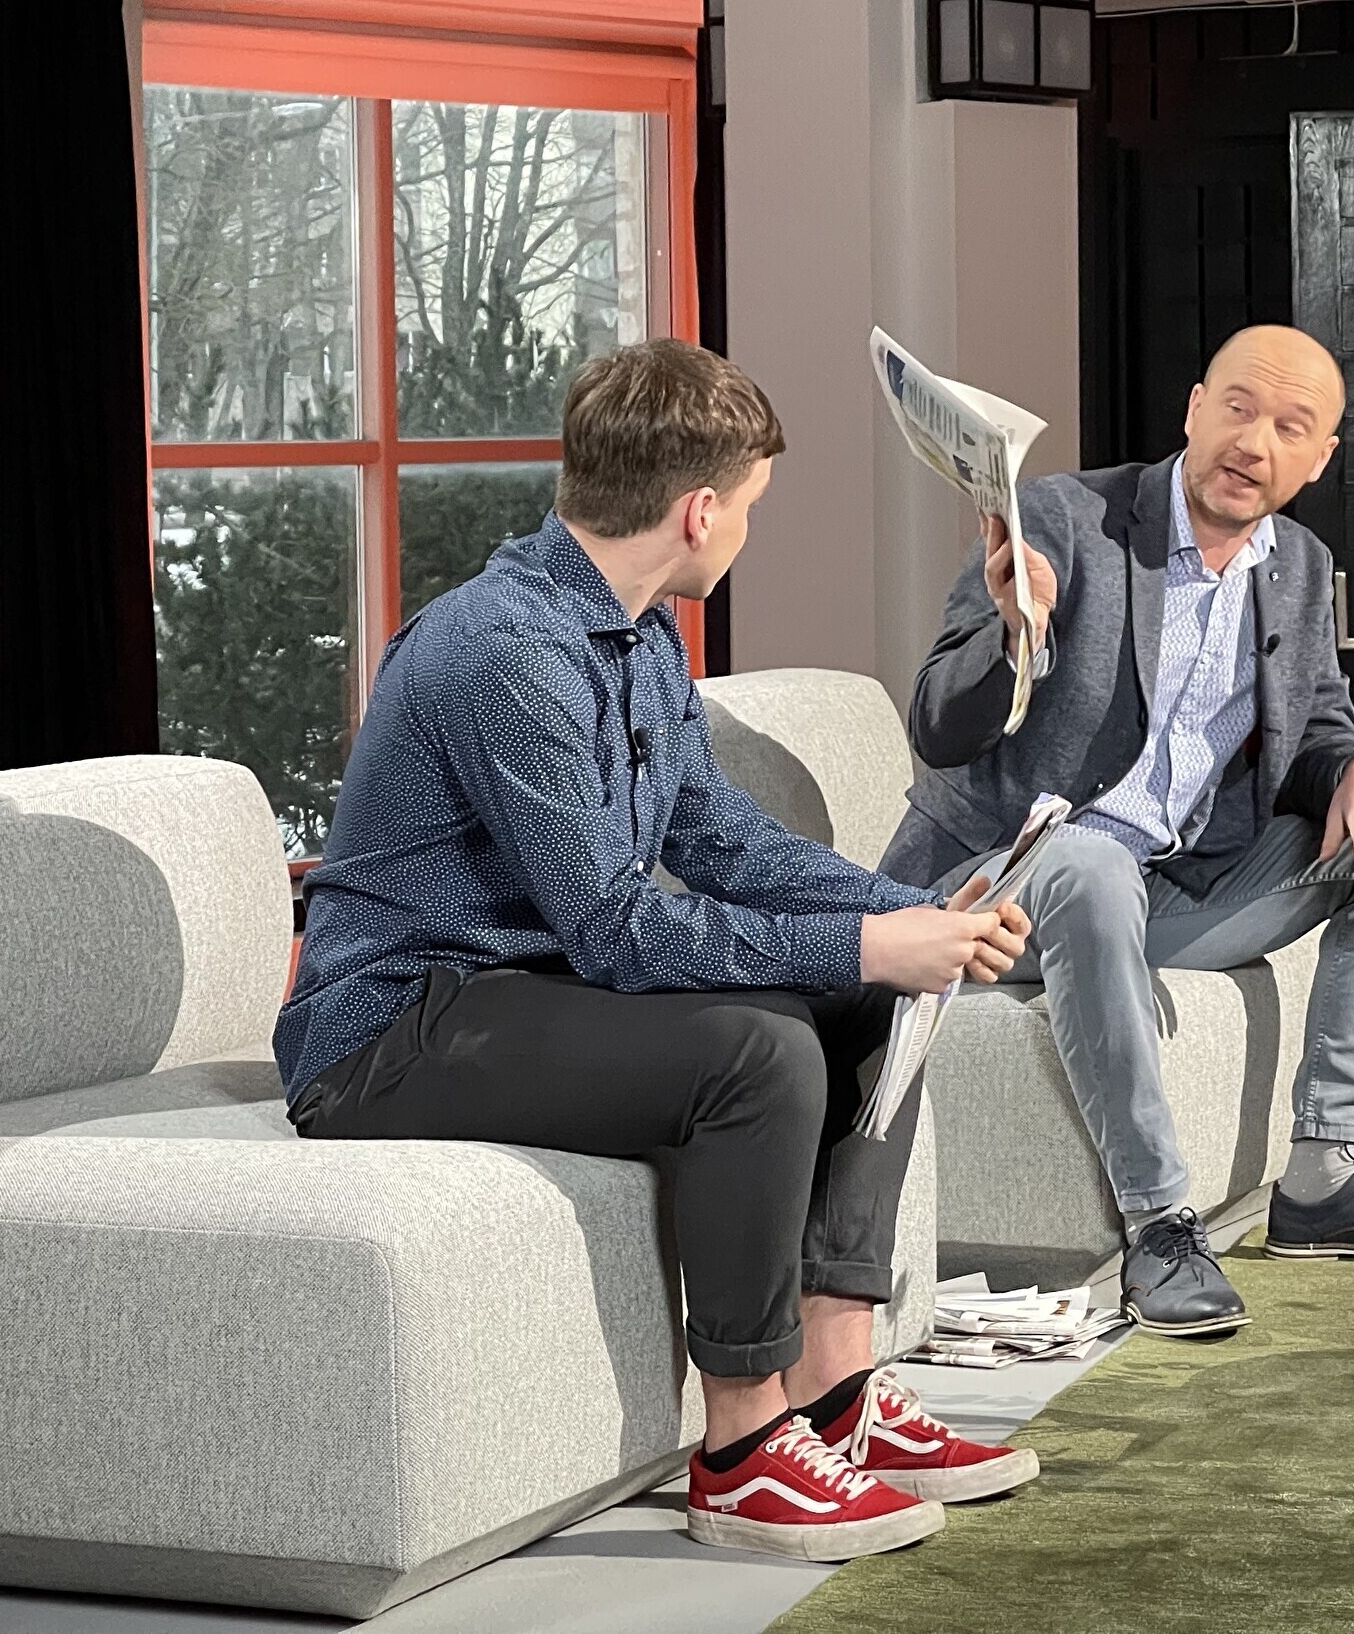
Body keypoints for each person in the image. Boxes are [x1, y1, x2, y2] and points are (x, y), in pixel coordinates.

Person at [274, 339, 1036, 1562]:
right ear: (699, 510)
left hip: (525, 986)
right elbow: (616, 927)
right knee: (758, 1052)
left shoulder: (639, 634)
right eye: (750, 506)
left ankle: (835, 1387)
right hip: (392, 1030)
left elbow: (718, 834)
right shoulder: (506, 652)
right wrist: (865, 939)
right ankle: (742, 1449)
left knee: (872, 1000)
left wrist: (914, 915)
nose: (747, 529)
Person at [881, 324, 1354, 1339]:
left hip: (1162, 888)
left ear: (1319, 459)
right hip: (999, 885)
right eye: (1237, 407)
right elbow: (936, 722)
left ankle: (1328, 1171)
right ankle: (1158, 1227)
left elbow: (1318, 724)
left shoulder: (1297, 565)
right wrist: (1013, 638)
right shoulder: (1066, 519)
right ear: (1194, 408)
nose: (1253, 442)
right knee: (1091, 864)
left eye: (1290, 427)